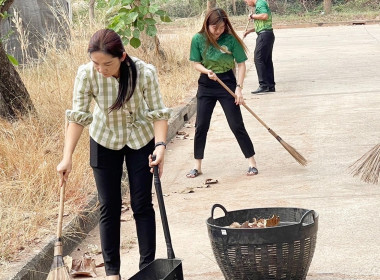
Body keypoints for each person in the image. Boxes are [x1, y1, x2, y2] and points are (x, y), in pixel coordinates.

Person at [56, 29, 172, 280]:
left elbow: (158, 113)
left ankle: (147, 268)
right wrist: (67, 157)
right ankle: (112, 273)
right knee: (109, 206)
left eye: (107, 63)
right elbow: (77, 118)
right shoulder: (86, 74)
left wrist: (160, 146)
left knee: (142, 204)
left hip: (139, 139)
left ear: (122, 56)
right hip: (104, 139)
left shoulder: (144, 73)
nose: (101, 69)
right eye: (96, 63)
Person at [186, 7, 258, 178]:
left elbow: (241, 64)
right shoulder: (198, 39)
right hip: (207, 84)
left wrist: (239, 88)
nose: (218, 31)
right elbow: (195, 63)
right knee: (201, 125)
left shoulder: (231, 40)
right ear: (207, 25)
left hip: (227, 82)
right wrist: (206, 71)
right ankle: (197, 166)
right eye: (214, 28)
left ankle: (252, 163)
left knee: (236, 125)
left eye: (221, 27)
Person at [243, 0, 276, 94]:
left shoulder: (260, 3)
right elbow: (262, 24)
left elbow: (264, 16)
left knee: (258, 59)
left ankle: (263, 85)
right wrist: (249, 31)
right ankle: (270, 85)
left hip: (264, 36)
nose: (247, 4)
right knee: (266, 60)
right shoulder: (260, 4)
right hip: (267, 34)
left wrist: (252, 16)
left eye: (246, 2)